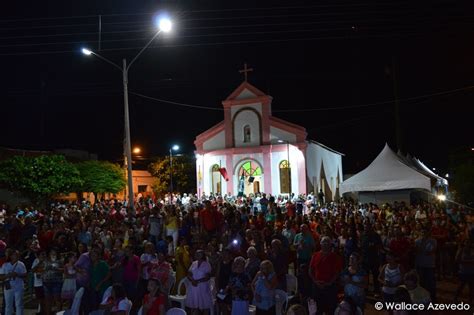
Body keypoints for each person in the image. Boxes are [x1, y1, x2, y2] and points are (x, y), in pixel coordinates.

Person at [309, 236, 343, 315]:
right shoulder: (315, 255)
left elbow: (337, 273)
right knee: (317, 309)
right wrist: (316, 282)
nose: (325, 244)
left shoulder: (335, 257)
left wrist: (329, 283)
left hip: (330, 287)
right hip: (317, 286)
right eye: (323, 242)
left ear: (330, 244)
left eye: (327, 242)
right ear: (320, 244)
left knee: (330, 309)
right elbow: (310, 271)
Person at [185, 249, 213, 315]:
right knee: (194, 306)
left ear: (203, 255)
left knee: (204, 306)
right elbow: (189, 274)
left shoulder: (207, 264)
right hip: (193, 286)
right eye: (196, 254)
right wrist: (192, 280)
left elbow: (207, 277)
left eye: (199, 254)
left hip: (202, 287)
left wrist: (197, 281)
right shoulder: (194, 263)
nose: (197, 255)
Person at [0, 250, 27, 315]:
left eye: (18, 254)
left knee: (19, 304)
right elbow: (1, 277)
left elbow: (25, 275)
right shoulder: (5, 265)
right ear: (11, 256)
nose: (17, 256)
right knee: (8, 305)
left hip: (19, 287)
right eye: (15, 254)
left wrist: (17, 274)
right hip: (8, 287)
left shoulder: (21, 264)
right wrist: (8, 275)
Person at [415, 227, 437, 302]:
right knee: (421, 282)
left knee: (431, 282)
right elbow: (417, 251)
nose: (423, 234)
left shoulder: (433, 241)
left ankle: (432, 298)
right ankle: (422, 298)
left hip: (430, 264)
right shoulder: (417, 241)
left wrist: (424, 244)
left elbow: (430, 251)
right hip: (420, 264)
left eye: (425, 232)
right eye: (422, 232)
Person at [42, 248, 64, 315]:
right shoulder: (45, 261)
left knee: (57, 299)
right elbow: (40, 269)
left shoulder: (60, 261)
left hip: (57, 282)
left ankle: (59, 313)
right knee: (48, 300)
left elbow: (64, 269)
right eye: (52, 253)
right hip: (46, 282)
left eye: (54, 253)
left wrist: (57, 268)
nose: (53, 254)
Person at [455, 238, 474, 303]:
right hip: (463, 271)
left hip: (471, 271)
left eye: (469, 242)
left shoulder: (472, 250)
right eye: (467, 242)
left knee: (471, 287)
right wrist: (467, 262)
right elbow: (457, 259)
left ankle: (470, 300)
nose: (468, 244)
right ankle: (455, 298)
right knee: (461, 286)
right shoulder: (461, 250)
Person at [31, 250, 47, 315]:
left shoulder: (47, 261)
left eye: (44, 254)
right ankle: (41, 311)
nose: (44, 256)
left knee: (45, 299)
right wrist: (39, 263)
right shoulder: (36, 261)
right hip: (38, 283)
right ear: (39, 255)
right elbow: (32, 270)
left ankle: (44, 311)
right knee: (40, 299)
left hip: (46, 282)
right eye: (42, 254)